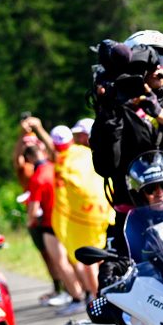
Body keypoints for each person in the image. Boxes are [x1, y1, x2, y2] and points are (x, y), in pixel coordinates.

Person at [90, 29, 163, 257]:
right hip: (134, 219)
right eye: (150, 60)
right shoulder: (114, 110)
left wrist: (161, 114)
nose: (158, 67)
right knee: (122, 283)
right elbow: (105, 165)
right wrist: (110, 113)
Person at [50, 124, 113, 304]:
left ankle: (100, 301)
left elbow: (63, 196)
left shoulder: (62, 162)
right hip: (104, 212)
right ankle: (107, 299)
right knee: (102, 259)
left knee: (91, 263)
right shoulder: (87, 154)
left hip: (82, 218)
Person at [24, 142, 85, 315]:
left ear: (29, 158)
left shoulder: (37, 177)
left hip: (50, 224)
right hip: (69, 220)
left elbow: (34, 210)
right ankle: (87, 293)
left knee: (61, 263)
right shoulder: (56, 167)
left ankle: (76, 297)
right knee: (75, 259)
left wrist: (30, 221)